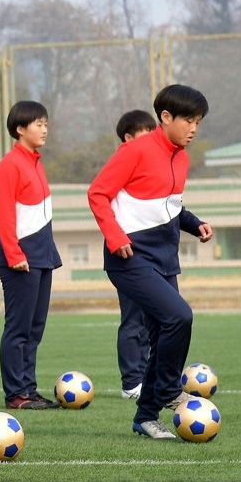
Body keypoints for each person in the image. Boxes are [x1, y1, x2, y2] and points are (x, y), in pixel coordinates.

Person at [88, 85, 213, 439]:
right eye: (188, 120)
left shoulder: (182, 158)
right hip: (128, 258)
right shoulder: (135, 150)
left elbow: (169, 208)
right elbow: (97, 193)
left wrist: (194, 224)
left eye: (198, 121)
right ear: (166, 117)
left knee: (163, 335)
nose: (193, 128)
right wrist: (115, 237)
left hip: (164, 260)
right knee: (179, 316)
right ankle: (171, 390)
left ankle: (145, 417)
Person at [0, 100, 62, 410]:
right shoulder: (10, 164)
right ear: (20, 129)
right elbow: (5, 214)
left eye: (45, 123)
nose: (44, 129)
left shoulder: (36, 163)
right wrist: (13, 253)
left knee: (35, 328)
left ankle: (29, 389)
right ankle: (16, 394)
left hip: (41, 257)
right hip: (20, 260)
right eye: (38, 124)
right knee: (18, 328)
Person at [112, 110, 158, 400]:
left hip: (152, 257)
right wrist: (119, 240)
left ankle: (148, 376)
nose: (152, 138)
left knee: (153, 319)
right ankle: (132, 382)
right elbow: (106, 203)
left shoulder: (150, 165)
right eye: (145, 133)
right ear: (128, 138)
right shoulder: (123, 165)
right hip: (129, 256)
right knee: (133, 319)